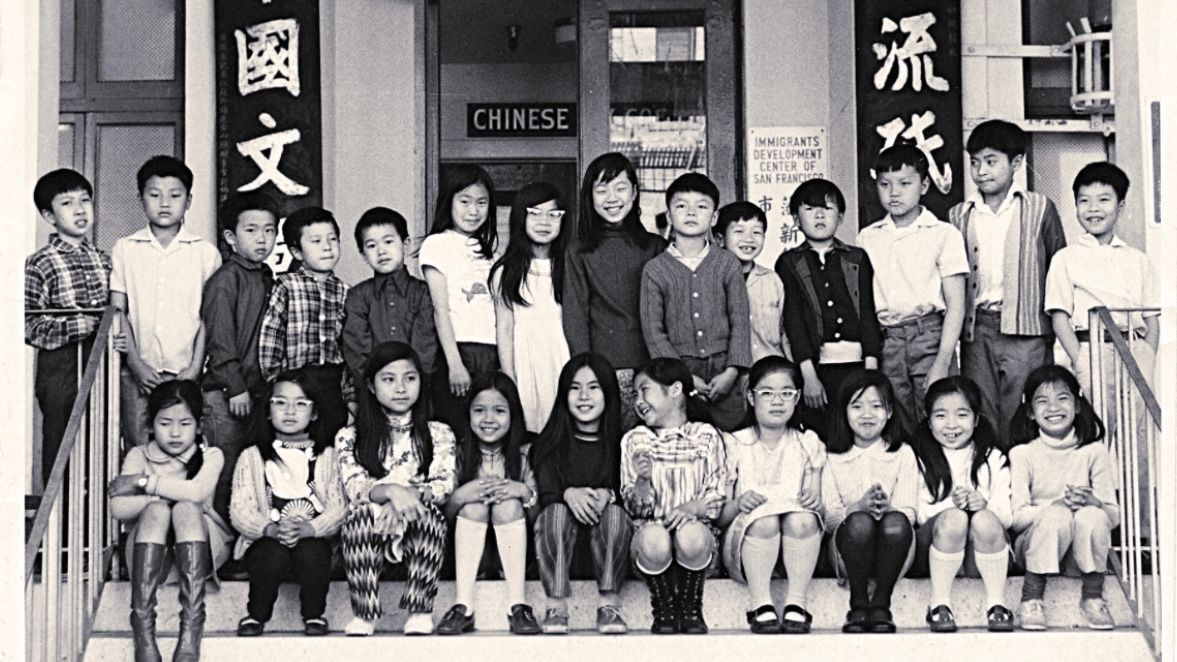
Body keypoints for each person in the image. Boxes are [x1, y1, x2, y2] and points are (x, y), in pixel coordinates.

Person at [948, 120, 1066, 440]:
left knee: (1024, 410)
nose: (981, 171)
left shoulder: (1039, 208)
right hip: (977, 329)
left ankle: (1022, 483)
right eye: (974, 162)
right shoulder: (959, 214)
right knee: (980, 409)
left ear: (1015, 163)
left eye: (990, 161)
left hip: (1027, 329)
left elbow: (1058, 267)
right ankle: (992, 482)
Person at [334, 342, 456, 636]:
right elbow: (355, 486)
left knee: (431, 518)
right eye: (389, 379)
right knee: (357, 520)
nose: (400, 388)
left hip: (417, 525)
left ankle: (420, 610)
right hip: (373, 528)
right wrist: (389, 492)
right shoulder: (349, 436)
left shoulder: (439, 432)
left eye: (409, 378)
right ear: (372, 387)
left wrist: (404, 497)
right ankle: (365, 614)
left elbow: (444, 484)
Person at [109, 380, 231, 662]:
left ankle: (191, 629)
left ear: (199, 426)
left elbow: (197, 491)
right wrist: (158, 501)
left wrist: (145, 483)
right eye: (165, 423)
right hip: (150, 560)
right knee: (158, 510)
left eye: (185, 424)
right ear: (150, 425)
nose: (175, 433)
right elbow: (118, 506)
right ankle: (143, 630)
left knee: (187, 508)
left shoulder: (211, 455)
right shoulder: (139, 454)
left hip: (201, 552)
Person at [858, 144, 968, 438]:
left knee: (938, 415)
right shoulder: (868, 237)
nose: (894, 193)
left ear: (924, 185)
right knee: (896, 422)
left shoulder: (944, 234)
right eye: (885, 185)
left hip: (929, 337)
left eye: (905, 184)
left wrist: (943, 359)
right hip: (888, 340)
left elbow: (957, 304)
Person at [112, 155, 221, 448]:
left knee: (184, 443)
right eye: (154, 195)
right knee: (138, 443)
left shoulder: (205, 253)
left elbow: (209, 318)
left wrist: (195, 368)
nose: (164, 203)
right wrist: (135, 363)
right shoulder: (125, 248)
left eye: (175, 195)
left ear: (188, 201)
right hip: (138, 369)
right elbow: (117, 311)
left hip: (186, 367)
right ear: (140, 198)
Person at [229, 370, 346, 637]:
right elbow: (240, 508)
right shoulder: (253, 456)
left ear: (314, 413)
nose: (290, 411)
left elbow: (339, 506)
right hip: (268, 538)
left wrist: (312, 528)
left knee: (313, 554)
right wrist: (269, 529)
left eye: (301, 403)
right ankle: (256, 615)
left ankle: (314, 614)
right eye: (280, 402)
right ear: (268, 410)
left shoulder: (327, 456)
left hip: (315, 538)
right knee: (269, 556)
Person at [1044, 162, 1158, 429]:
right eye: (1084, 201)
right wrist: (1079, 358)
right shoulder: (1065, 258)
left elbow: (1152, 319)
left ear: (1120, 206)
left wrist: (1147, 354)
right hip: (1089, 350)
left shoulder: (1137, 260)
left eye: (1103, 200)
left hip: (1134, 349)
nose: (1093, 209)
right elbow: (1059, 316)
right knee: (1094, 427)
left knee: (1135, 429)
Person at [719, 357, 825, 634]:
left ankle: (797, 604)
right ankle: (760, 604)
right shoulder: (735, 444)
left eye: (786, 393)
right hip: (746, 546)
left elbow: (818, 508)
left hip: (796, 548)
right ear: (751, 397)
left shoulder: (807, 443)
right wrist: (739, 504)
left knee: (803, 518)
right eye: (767, 393)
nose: (777, 401)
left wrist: (815, 502)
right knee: (764, 520)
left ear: (798, 397)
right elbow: (719, 517)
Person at [620, 358, 727, 635]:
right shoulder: (635, 439)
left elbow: (717, 494)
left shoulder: (705, 436)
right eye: (635, 394)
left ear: (675, 389)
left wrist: (693, 506)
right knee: (654, 536)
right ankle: (664, 606)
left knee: (692, 533)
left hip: (698, 548)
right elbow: (634, 508)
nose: (638, 401)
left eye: (645, 390)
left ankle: (691, 605)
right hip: (649, 550)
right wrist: (642, 483)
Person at [1008, 365, 1118, 631]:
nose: (1053, 408)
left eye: (1063, 398)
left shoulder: (1095, 451)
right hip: (1034, 548)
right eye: (1042, 401)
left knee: (1092, 515)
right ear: (1031, 413)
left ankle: (1093, 597)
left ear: (1078, 406)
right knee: (1057, 516)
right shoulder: (1022, 454)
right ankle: (1031, 598)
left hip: (1076, 557)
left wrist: (1094, 502)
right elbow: (1017, 517)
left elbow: (1113, 517)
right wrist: (1055, 507)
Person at [640, 173, 752, 432]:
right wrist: (683, 376)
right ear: (669, 216)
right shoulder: (655, 270)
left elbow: (740, 322)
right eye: (681, 206)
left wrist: (732, 372)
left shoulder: (727, 263)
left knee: (731, 440)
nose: (691, 213)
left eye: (701, 206)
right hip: (678, 374)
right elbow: (653, 332)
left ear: (713, 218)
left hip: (726, 371)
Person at [529, 353, 631, 634]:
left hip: (609, 555)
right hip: (558, 554)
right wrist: (568, 494)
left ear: (608, 392)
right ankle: (556, 607)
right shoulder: (548, 444)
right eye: (575, 388)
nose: (583, 396)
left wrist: (607, 496)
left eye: (593, 387)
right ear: (563, 394)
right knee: (556, 512)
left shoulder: (622, 445)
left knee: (615, 514)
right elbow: (547, 497)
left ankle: (609, 606)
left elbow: (628, 496)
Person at [563, 153, 666, 430]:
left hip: (654, 366)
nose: (612, 197)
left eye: (620, 188)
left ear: (634, 193)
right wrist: (585, 372)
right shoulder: (579, 250)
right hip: (605, 368)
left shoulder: (656, 247)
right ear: (589, 196)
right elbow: (575, 314)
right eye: (601, 189)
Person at [775, 179, 881, 439]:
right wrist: (808, 376)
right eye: (810, 209)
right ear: (796, 220)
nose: (820, 215)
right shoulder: (789, 262)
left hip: (858, 364)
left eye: (828, 209)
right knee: (821, 435)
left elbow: (868, 312)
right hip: (818, 370)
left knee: (858, 433)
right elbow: (794, 322)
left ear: (841, 217)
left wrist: (871, 369)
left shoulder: (857, 258)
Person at [438, 373, 540, 635]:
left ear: (512, 414)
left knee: (508, 504)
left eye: (499, 411)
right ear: (468, 414)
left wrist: (523, 492)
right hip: (471, 555)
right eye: (479, 410)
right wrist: (461, 496)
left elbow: (540, 519)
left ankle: (518, 604)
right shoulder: (458, 452)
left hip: (517, 555)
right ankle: (463, 606)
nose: (489, 419)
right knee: (474, 507)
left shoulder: (525, 453)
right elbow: (442, 520)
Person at [25, 168, 110, 484]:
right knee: (61, 444)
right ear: (49, 215)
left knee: (101, 439)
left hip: (100, 360)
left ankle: (95, 523)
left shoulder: (106, 259)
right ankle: (57, 523)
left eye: (85, 201)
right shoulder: (40, 262)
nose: (79, 210)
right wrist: (78, 326)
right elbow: (28, 325)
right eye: (67, 203)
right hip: (59, 365)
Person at [200, 191, 278, 527]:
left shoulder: (266, 276)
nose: (262, 238)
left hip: (258, 392)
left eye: (269, 230)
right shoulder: (225, 280)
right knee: (226, 470)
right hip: (227, 393)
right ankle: (219, 548)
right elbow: (219, 341)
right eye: (251, 230)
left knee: (254, 472)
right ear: (231, 237)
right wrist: (235, 388)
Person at [911, 376, 1013, 632]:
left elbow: (1008, 516)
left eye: (962, 415)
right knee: (955, 518)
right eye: (941, 416)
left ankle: (996, 604)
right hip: (936, 548)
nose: (952, 425)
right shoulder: (918, 457)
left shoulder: (993, 458)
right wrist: (951, 507)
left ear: (977, 419)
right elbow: (917, 513)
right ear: (928, 419)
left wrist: (982, 505)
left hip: (980, 553)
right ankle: (939, 604)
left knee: (985, 519)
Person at [821, 370, 918, 634]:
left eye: (876, 406)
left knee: (896, 522)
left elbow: (910, 513)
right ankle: (859, 603)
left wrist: (888, 509)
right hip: (847, 550)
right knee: (860, 523)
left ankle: (882, 604)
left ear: (889, 412)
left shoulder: (903, 453)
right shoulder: (831, 457)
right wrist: (858, 507)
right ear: (844, 412)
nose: (867, 414)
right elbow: (829, 520)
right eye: (857, 406)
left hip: (895, 549)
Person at [420, 165, 500, 433]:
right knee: (458, 431)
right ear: (449, 203)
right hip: (457, 351)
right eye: (464, 202)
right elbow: (440, 311)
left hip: (491, 351)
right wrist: (455, 364)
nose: (473, 210)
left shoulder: (489, 252)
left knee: (487, 432)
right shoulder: (437, 244)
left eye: (481, 203)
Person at [258, 206, 350, 441]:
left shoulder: (344, 290)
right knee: (295, 437)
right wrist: (275, 379)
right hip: (295, 377)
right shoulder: (287, 285)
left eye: (332, 239)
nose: (327, 247)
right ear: (296, 252)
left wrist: (349, 393)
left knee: (329, 438)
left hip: (331, 378)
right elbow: (272, 333)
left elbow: (347, 343)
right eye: (316, 241)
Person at [490, 182, 571, 433]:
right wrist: (508, 375)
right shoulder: (505, 271)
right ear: (520, 218)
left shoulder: (570, 267)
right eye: (534, 213)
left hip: (562, 356)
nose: (544, 222)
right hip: (525, 361)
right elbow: (504, 327)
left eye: (553, 214)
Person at [342, 207, 438, 409]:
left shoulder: (423, 292)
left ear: (405, 244)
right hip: (372, 396)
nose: (381, 251)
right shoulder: (358, 296)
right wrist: (376, 387)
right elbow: (357, 352)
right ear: (362, 254)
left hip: (418, 394)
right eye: (371, 245)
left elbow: (426, 346)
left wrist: (411, 384)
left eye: (388, 241)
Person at [714, 201, 790, 362]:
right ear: (719, 239)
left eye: (756, 232)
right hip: (725, 375)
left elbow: (785, 332)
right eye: (739, 231)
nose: (748, 238)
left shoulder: (772, 280)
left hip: (770, 372)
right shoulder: (709, 282)